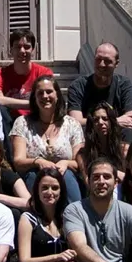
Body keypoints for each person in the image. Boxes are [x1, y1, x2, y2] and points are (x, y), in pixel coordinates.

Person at [9, 73, 84, 205]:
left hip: (65, 176)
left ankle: (74, 218)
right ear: (34, 97)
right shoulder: (22, 123)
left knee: (67, 175)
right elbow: (18, 161)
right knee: (35, 175)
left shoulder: (72, 124)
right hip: (35, 175)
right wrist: (38, 162)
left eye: (49, 92)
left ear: (57, 95)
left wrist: (65, 163)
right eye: (40, 93)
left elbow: (80, 162)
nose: (45, 96)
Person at [68, 42, 132, 143]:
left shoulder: (124, 84)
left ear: (116, 63)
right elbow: (74, 122)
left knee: (129, 133)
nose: (101, 65)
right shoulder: (78, 86)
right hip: (89, 135)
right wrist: (115, 121)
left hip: (115, 136)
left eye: (107, 61)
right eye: (98, 59)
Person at [0, 29, 53, 116]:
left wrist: (5, 100)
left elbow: (46, 100)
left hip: (35, 120)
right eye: (17, 47)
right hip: (9, 121)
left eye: (27, 47)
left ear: (33, 50)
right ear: (11, 50)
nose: (22, 51)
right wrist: (32, 104)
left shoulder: (43, 73)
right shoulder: (1, 73)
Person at [81, 102, 128, 181]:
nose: (100, 122)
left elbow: (129, 179)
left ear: (111, 121)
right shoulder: (84, 153)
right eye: (96, 120)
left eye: (105, 119)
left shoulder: (125, 150)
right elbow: (87, 181)